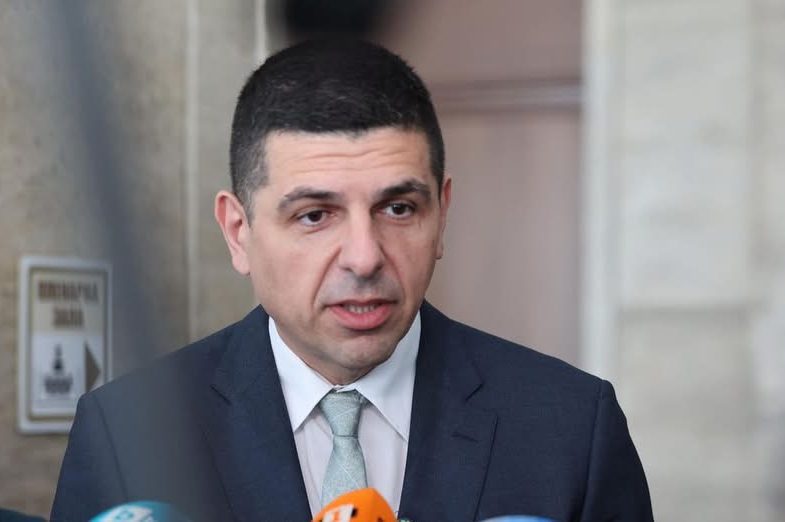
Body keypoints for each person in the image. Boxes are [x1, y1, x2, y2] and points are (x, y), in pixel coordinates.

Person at [51, 38, 653, 522]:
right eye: (315, 216)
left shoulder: (572, 428)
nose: (364, 258)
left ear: (441, 217)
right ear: (238, 231)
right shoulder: (125, 435)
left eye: (399, 208)